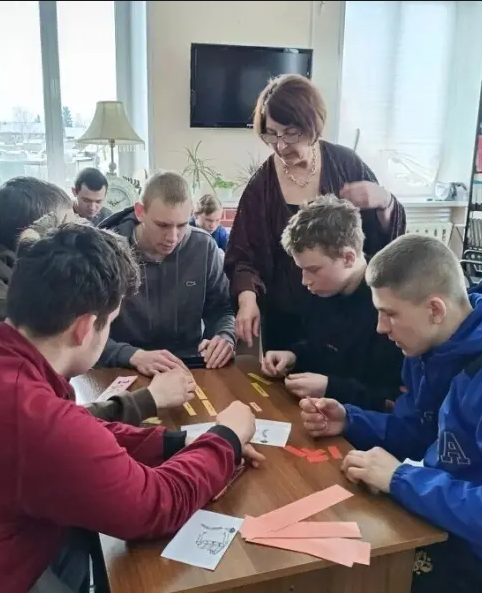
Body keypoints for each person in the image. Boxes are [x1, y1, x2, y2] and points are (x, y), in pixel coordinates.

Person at [0, 221, 265, 593]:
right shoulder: (29, 416)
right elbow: (156, 505)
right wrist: (226, 437)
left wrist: (176, 442)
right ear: (84, 328)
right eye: (111, 323)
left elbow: (77, 432)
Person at [300, 234, 482, 593]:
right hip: (450, 527)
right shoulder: (432, 349)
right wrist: (351, 420)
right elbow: (419, 432)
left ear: (435, 309)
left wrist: (401, 479)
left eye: (390, 314)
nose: (380, 328)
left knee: (340, 578)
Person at [0, 177, 176, 426]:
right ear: (33, 237)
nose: (77, 236)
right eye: (66, 230)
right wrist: (146, 400)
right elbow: (47, 424)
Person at [224, 74, 407, 352]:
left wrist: (385, 201)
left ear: (312, 125)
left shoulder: (346, 164)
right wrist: (247, 300)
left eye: (290, 133)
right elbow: (242, 255)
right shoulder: (262, 185)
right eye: (271, 134)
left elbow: (387, 245)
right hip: (285, 320)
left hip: (346, 317)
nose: (280, 145)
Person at [261, 195, 403, 409]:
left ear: (348, 258)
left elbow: (392, 400)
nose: (305, 281)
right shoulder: (324, 290)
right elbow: (322, 347)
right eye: (302, 269)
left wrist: (331, 388)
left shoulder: (390, 305)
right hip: (321, 412)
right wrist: (294, 356)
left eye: (313, 270)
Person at [100, 171, 236, 374]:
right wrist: (130, 355)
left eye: (182, 225)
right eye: (162, 225)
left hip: (188, 364)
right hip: (122, 366)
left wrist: (225, 336)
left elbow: (222, 308)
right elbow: (83, 331)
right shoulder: (106, 250)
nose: (172, 237)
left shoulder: (204, 247)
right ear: (140, 212)